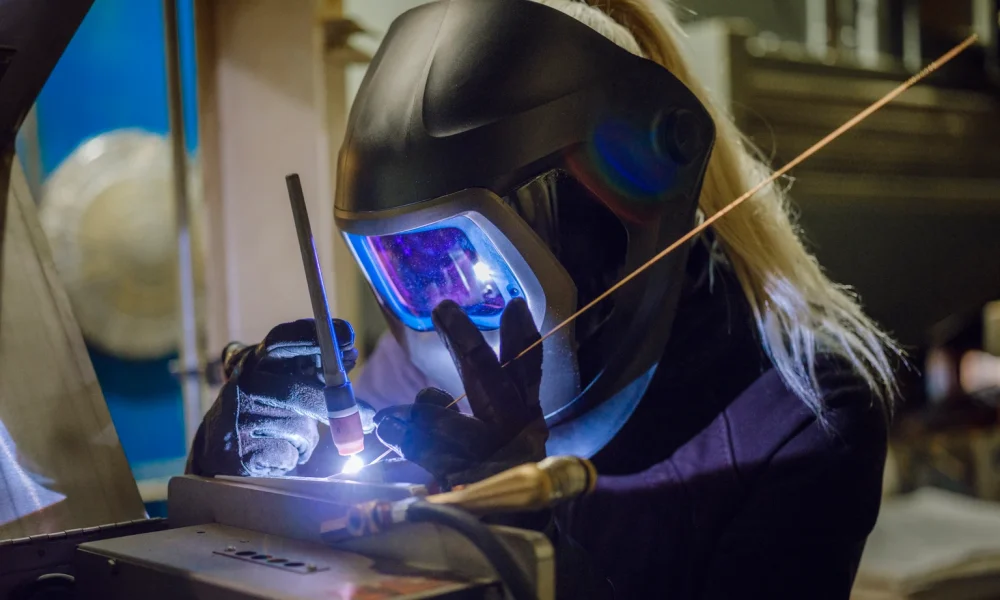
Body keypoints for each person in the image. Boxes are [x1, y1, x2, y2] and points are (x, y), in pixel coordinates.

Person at [188, 0, 899, 597]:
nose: (454, 310)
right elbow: (323, 535)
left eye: (476, 263)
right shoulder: (429, 362)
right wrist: (241, 484)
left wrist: (524, 559)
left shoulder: (795, 413)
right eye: (417, 266)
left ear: (611, 209)